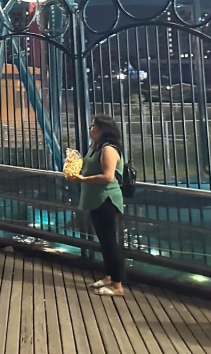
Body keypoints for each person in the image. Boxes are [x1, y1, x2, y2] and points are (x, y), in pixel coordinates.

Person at [65, 115, 127, 297]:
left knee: (109, 242)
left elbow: (108, 176)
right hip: (95, 199)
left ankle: (117, 284)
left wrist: (83, 179)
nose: (91, 129)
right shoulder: (96, 147)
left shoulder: (108, 149)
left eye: (94, 126)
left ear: (103, 130)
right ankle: (109, 276)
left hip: (106, 199)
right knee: (104, 240)